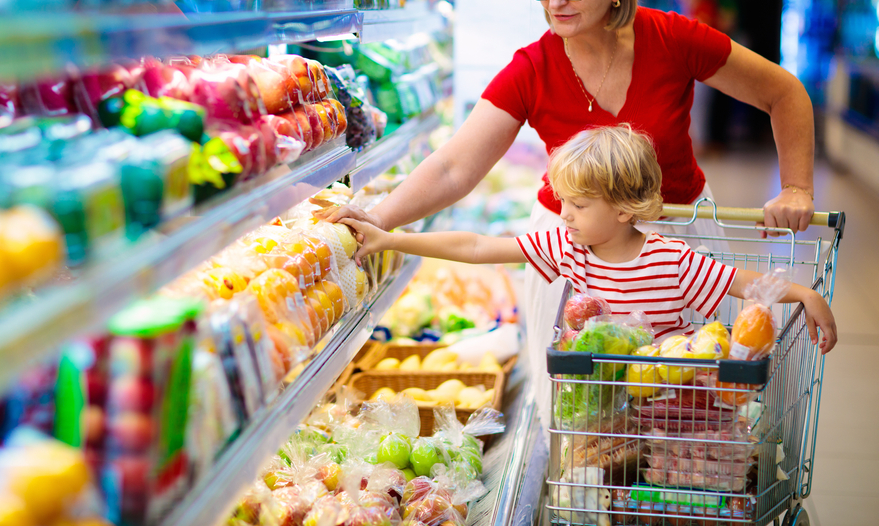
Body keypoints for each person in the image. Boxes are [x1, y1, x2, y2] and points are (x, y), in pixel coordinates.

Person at [315, 0, 817, 339]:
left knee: (685, 393)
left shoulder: (672, 39)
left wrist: (797, 187)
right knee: (584, 416)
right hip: (574, 250)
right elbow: (453, 168)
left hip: (678, 243)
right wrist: (379, 219)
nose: (555, 2)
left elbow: (783, 92)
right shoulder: (532, 68)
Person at [340, 126, 837, 353]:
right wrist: (391, 239)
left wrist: (805, 293)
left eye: (578, 205)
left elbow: (741, 283)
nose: (564, 214)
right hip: (593, 412)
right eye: (564, 202)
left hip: (667, 410)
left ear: (623, 209)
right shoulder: (565, 246)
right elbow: (475, 247)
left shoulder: (672, 260)